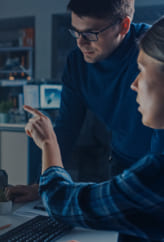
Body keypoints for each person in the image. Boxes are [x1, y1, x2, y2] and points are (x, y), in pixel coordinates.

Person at [21, 17, 164, 241]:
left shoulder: (156, 176)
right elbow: (68, 125)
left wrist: (48, 143)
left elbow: (60, 202)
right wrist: (40, 185)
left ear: (124, 26)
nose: (134, 84)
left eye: (142, 70)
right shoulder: (77, 63)